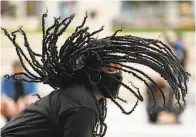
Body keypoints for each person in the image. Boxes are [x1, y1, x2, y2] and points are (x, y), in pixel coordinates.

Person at [1, 11, 190, 137]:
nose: (117, 75)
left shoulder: (81, 95)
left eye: (119, 69)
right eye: (110, 69)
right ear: (92, 73)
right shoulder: (82, 104)